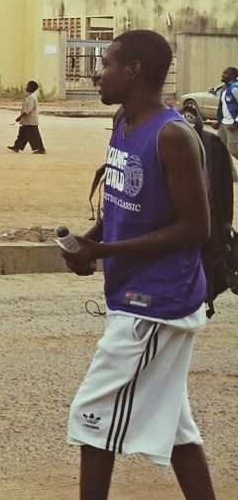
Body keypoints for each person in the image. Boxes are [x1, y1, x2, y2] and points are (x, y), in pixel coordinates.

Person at [61, 30, 216, 500]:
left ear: (133, 71)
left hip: (157, 300)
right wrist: (90, 240)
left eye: (105, 63)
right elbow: (123, 198)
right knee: (175, 426)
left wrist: (103, 253)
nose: (97, 72)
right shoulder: (122, 121)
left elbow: (195, 229)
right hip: (133, 291)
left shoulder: (173, 136)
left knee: (92, 415)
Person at [9, 80, 46, 154]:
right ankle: (17, 146)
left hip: (30, 121)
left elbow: (29, 110)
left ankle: (41, 149)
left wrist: (20, 117)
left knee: (34, 135)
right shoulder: (30, 97)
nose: (26, 87)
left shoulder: (32, 98)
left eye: (28, 86)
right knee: (23, 134)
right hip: (27, 121)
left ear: (32, 88)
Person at [216, 66, 238, 158]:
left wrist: (236, 123)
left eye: (225, 74)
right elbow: (222, 107)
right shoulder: (225, 89)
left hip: (233, 124)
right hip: (223, 123)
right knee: (221, 149)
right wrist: (218, 122)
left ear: (233, 76)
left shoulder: (235, 88)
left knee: (234, 151)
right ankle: (231, 172)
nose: (222, 75)